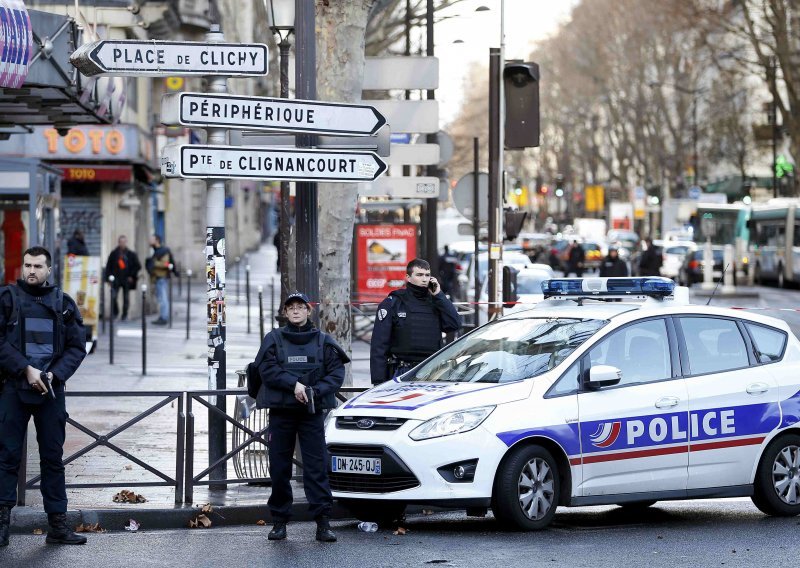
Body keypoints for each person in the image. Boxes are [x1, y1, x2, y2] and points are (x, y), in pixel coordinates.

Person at [0, 246, 88, 547]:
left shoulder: (63, 303)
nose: (32, 271)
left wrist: (53, 375)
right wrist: (25, 369)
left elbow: (78, 346)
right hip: (14, 388)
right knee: (6, 457)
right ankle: (2, 525)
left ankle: (58, 526)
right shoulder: (7, 299)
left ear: (49, 269)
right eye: (27, 265)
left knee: (53, 459)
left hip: (50, 392)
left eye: (38, 266)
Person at [255, 292, 349, 542]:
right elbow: (266, 369)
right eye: (291, 307)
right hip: (281, 413)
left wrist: (314, 392)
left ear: (309, 311)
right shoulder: (273, 339)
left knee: (317, 468)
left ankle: (323, 522)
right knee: (279, 468)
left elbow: (336, 373)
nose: (295, 311)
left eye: (300, 307)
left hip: (311, 413)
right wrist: (294, 385)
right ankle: (279, 522)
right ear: (285, 313)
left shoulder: (323, 341)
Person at [370, 258, 461, 385]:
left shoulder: (436, 301)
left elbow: (454, 324)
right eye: (419, 275)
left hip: (433, 370)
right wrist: (378, 380)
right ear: (408, 277)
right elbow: (379, 345)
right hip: (403, 371)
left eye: (427, 275)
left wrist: (439, 295)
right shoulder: (394, 302)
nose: (424, 279)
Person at [104, 235, 141, 321]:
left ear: (126, 242)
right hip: (116, 279)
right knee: (113, 296)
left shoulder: (131, 254)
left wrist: (132, 276)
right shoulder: (114, 253)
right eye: (121, 242)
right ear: (119, 242)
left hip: (126, 279)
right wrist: (108, 279)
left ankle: (125, 314)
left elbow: (137, 266)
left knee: (126, 298)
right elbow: (108, 267)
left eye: (124, 242)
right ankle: (115, 312)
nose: (122, 243)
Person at [145, 235, 176, 326]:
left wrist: (154, 262)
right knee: (161, 298)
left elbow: (166, 264)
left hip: (162, 277)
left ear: (157, 240)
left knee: (163, 299)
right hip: (157, 278)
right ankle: (162, 316)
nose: (149, 240)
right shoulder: (154, 250)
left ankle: (164, 317)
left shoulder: (163, 251)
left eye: (152, 239)